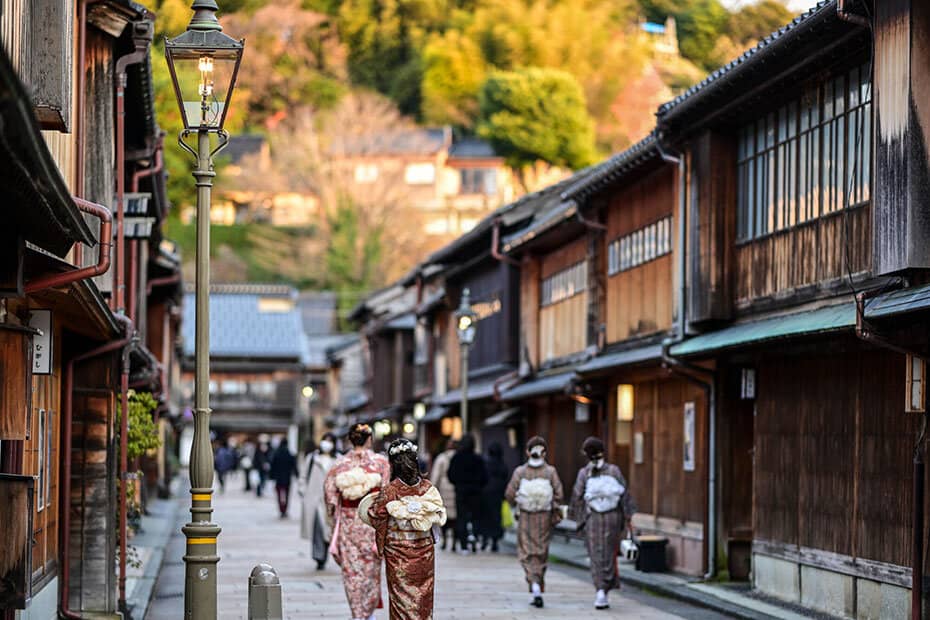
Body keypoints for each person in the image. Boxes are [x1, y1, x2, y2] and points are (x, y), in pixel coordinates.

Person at [362, 438, 446, 619]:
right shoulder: (427, 488)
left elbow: (376, 516)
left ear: (392, 464)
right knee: (423, 597)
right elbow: (437, 514)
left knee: (400, 598)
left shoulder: (390, 491)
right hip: (423, 550)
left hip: (398, 552)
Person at [324, 423, 391, 620]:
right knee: (371, 570)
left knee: (352, 571)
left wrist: (334, 517)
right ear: (369, 439)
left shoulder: (339, 464)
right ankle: (367, 614)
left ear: (350, 440)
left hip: (347, 522)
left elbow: (329, 497)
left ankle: (357, 613)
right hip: (371, 522)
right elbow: (385, 495)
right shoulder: (381, 463)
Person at [571, 437, 636, 610]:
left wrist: (578, 520)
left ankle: (600, 590)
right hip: (612, 517)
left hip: (593, 517)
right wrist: (627, 516)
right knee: (609, 552)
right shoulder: (614, 471)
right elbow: (624, 495)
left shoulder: (584, 473)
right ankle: (605, 589)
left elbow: (577, 497)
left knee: (595, 554)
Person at [505, 436, 564, 608]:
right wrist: (553, 506)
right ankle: (538, 582)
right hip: (543, 516)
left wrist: (516, 504)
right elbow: (559, 494)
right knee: (541, 549)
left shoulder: (520, 472)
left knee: (526, 550)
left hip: (525, 515)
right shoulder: (550, 472)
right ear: (544, 452)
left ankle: (533, 582)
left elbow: (509, 493)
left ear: (527, 452)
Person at [299, 433, 338, 570]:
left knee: (329, 530)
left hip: (331, 501)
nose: (327, 444)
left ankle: (324, 554)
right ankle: (319, 556)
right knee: (317, 528)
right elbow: (303, 476)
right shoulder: (312, 458)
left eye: (330, 441)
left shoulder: (338, 460)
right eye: (325, 440)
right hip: (313, 499)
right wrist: (303, 492)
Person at [447, 434, 487, 554]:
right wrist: (478, 485)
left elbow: (451, 475)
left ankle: (464, 545)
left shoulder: (456, 458)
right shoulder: (478, 458)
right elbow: (485, 477)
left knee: (461, 517)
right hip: (476, 492)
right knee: (475, 517)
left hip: (461, 491)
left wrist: (458, 484)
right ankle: (474, 538)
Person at [428, 439, 458, 551]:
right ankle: (455, 542)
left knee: (444, 517)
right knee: (456, 519)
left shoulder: (442, 458)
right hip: (455, 489)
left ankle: (445, 540)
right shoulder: (458, 456)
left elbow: (436, 475)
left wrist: (432, 489)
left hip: (444, 489)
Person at [480, 441, 509, 552]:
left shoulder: (485, 463)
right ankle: (495, 542)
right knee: (496, 517)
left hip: (485, 493)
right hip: (498, 494)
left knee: (485, 517)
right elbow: (505, 480)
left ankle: (484, 539)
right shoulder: (503, 465)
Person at [270, 438, 298, 518]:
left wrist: (271, 476)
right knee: (287, 495)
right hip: (287, 478)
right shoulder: (289, 454)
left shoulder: (276, 454)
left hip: (278, 478)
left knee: (279, 495)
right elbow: (294, 466)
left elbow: (273, 466)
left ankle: (281, 509)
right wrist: (297, 475)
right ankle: (285, 509)